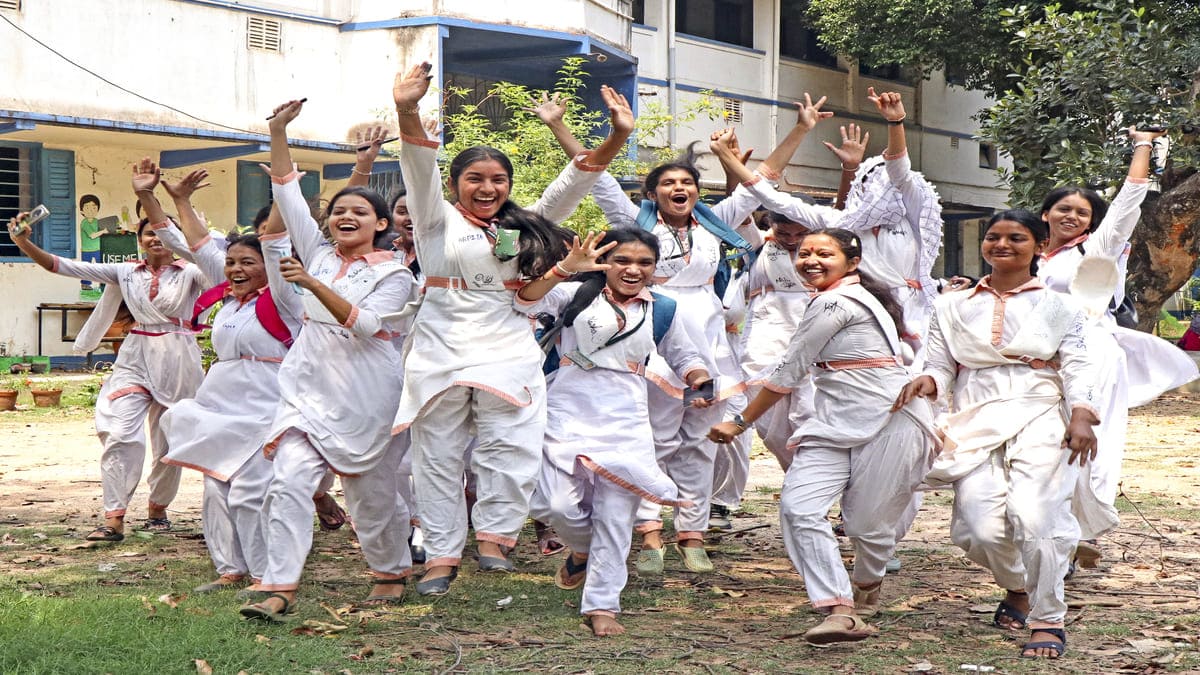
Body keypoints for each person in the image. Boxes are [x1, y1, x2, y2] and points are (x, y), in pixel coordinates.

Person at [390, 63, 635, 596]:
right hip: (441, 346)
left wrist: (617, 136)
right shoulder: (435, 220)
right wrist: (407, 110)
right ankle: (440, 556)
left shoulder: (523, 226)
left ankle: (496, 536)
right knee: (437, 454)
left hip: (507, 342)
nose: (487, 187)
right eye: (475, 179)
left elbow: (572, 183)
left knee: (512, 442)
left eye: (498, 179)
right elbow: (417, 168)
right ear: (454, 185)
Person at [709, 227, 934, 645]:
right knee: (799, 508)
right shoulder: (830, 298)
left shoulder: (836, 301)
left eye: (824, 254)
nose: (810, 260)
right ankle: (840, 609)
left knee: (867, 527)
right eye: (804, 253)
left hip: (891, 419)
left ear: (853, 263)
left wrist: (739, 422)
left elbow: (789, 369)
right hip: (831, 423)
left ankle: (867, 583)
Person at [893, 209, 1102, 659]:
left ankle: (1047, 620)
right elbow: (939, 363)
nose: (1002, 245)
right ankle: (1020, 586)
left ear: (1040, 246)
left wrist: (1082, 414)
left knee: (1035, 516)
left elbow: (1079, 364)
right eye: (993, 237)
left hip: (1041, 410)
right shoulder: (951, 305)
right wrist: (928, 381)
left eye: (1016, 238)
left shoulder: (1060, 305)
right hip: (975, 416)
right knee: (978, 530)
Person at [238, 99, 416, 620]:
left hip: (370, 390)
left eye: (359, 212)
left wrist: (314, 285)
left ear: (380, 224)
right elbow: (287, 189)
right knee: (288, 480)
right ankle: (279, 586)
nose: (346, 217)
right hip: (308, 385)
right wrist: (277, 132)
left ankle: (390, 571)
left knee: (371, 494)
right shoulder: (315, 252)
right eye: (339, 211)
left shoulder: (394, 274)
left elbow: (366, 325)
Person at [521, 227, 712, 636]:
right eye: (622, 260)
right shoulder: (572, 293)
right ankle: (582, 550)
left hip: (626, 416)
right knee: (556, 504)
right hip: (567, 408)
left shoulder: (663, 308)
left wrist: (699, 379)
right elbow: (525, 298)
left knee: (615, 514)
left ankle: (603, 605)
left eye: (644, 262)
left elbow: (685, 355)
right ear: (603, 261)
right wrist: (564, 268)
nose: (633, 270)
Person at [7, 179, 208, 543]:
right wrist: (23, 243)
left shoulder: (193, 271)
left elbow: (210, 259)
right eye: (148, 233)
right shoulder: (126, 272)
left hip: (179, 358)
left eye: (163, 232)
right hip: (136, 355)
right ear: (139, 240)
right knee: (119, 431)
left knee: (169, 440)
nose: (155, 238)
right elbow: (64, 266)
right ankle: (114, 517)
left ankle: (158, 508)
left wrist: (186, 214)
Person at [1035, 127, 1199, 559]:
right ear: (1045, 214)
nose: (1072, 217)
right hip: (1043, 357)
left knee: (1093, 436)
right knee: (1044, 439)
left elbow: (1129, 200)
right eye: (1063, 209)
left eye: (1082, 212)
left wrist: (1142, 145)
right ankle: (1050, 524)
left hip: (1093, 352)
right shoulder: (1033, 256)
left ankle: (1083, 531)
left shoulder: (1099, 248)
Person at [142, 163, 303, 595]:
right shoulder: (229, 298)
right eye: (231, 262)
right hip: (219, 403)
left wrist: (283, 187)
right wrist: (177, 200)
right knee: (215, 485)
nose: (235, 269)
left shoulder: (286, 297)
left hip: (266, 404)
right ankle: (229, 568)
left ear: (268, 267)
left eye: (248, 262)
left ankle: (266, 574)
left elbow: (275, 243)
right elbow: (197, 244)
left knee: (251, 489)